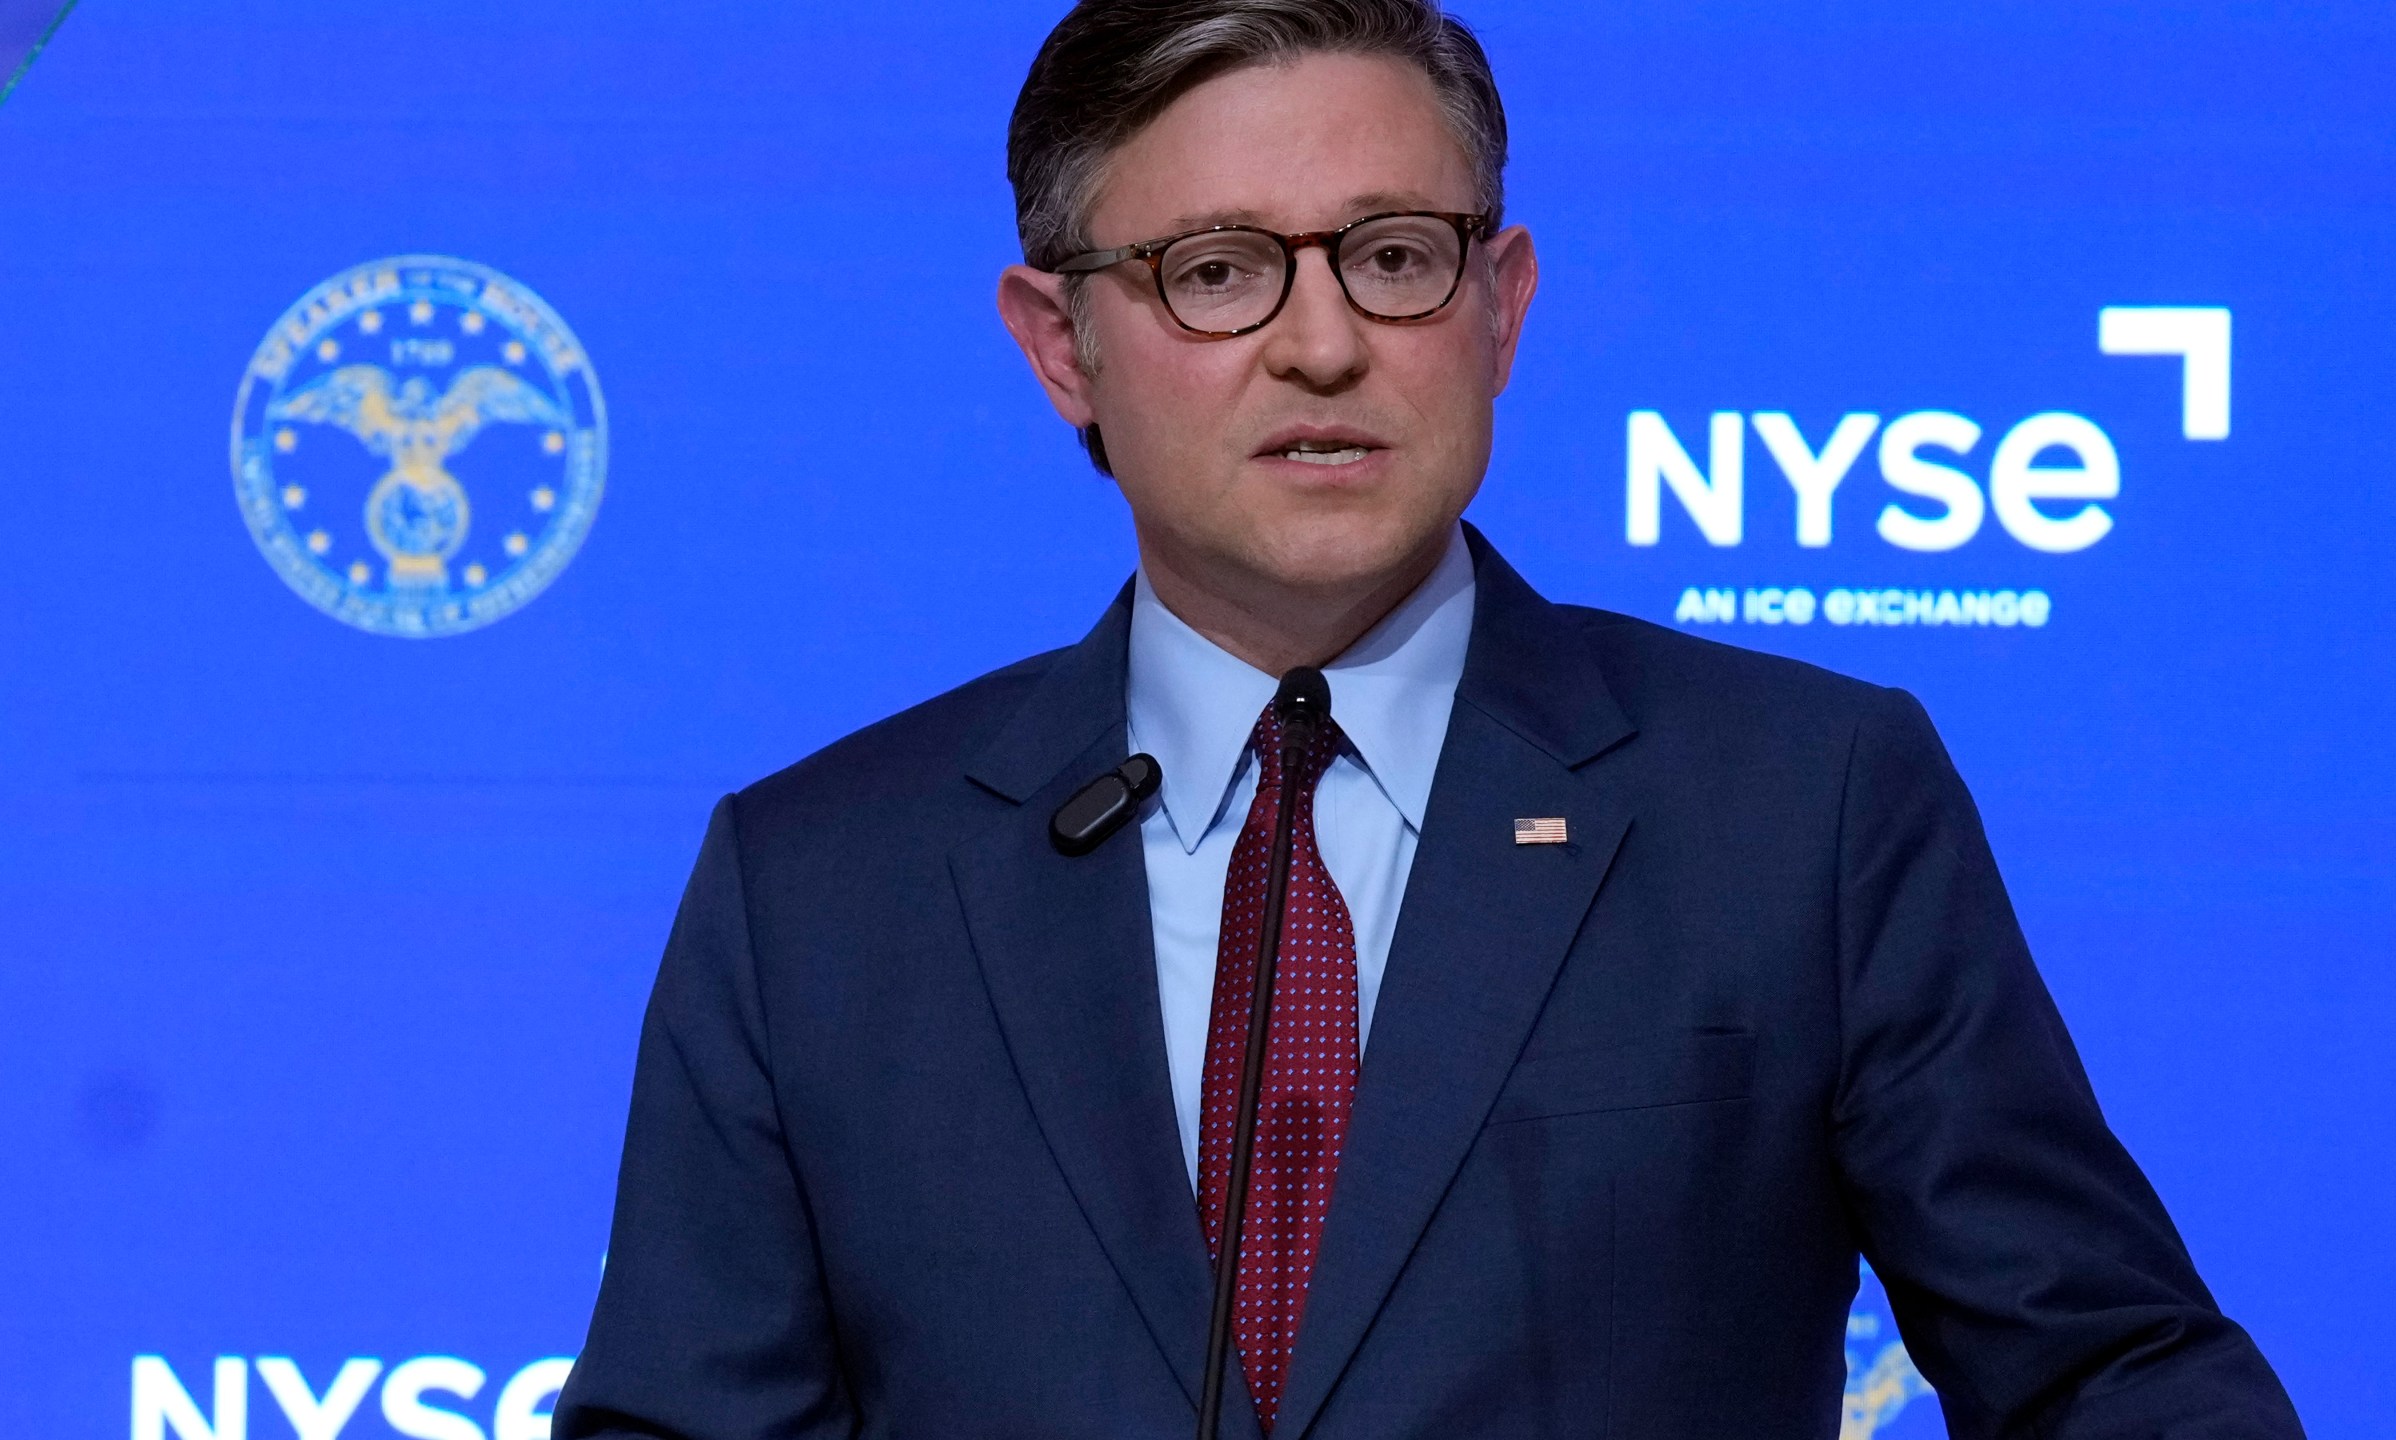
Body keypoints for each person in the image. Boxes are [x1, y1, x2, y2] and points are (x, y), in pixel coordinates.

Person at [554, 2, 2304, 1436]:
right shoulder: (821, 883)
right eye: (1220, 272)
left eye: (1394, 255)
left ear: (1503, 304)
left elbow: (2111, 1382)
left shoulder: (1803, 804)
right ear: (1061, 344)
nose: (1323, 344)